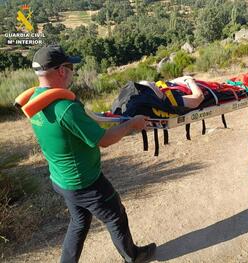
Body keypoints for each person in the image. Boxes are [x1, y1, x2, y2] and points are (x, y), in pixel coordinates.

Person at [29, 45, 156, 263]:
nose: (73, 72)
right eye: (71, 67)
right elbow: (104, 140)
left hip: (61, 179)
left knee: (79, 222)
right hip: (85, 183)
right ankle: (133, 256)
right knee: (115, 215)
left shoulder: (35, 100)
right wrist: (132, 124)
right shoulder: (65, 108)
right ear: (61, 71)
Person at [139, 76, 205, 109]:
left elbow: (171, 83)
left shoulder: (162, 91)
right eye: (152, 85)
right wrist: (189, 81)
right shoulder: (174, 100)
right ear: (155, 94)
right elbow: (199, 97)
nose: (154, 82)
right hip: (200, 86)